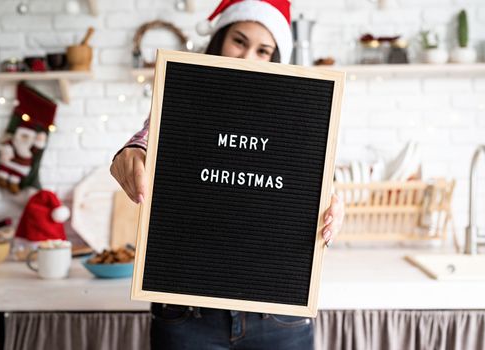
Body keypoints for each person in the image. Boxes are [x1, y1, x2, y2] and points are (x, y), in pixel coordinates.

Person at [111, 1, 345, 349]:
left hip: (279, 314)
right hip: (187, 312)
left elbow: (317, 179)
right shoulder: (185, 97)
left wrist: (335, 207)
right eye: (239, 41)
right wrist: (132, 153)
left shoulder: (295, 113)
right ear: (219, 38)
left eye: (263, 50)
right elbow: (149, 137)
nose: (247, 56)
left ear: (276, 56)